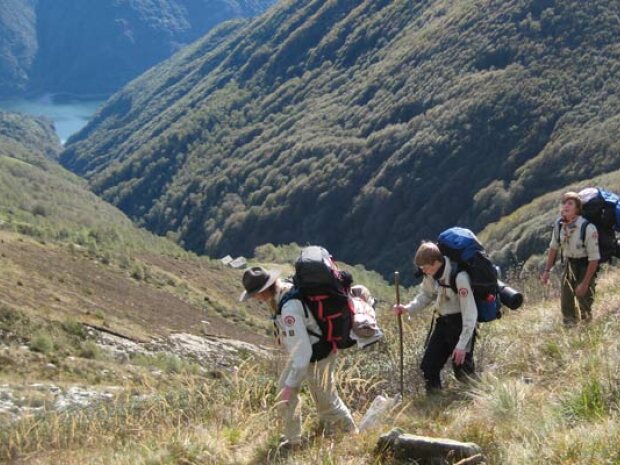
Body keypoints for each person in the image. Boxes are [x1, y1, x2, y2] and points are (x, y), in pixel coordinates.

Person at [239, 266, 357, 449]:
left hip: (319, 354)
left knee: (325, 399)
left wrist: (291, 384)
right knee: (283, 393)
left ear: (263, 290)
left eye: (254, 294)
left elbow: (303, 353)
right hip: (309, 352)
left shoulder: (289, 309)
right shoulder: (284, 292)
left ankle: (351, 436)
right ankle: (293, 440)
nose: (254, 298)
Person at [393, 241, 477, 394]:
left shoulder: (459, 277)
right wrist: (407, 308)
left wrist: (462, 344)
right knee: (429, 367)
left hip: (461, 324)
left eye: (425, 267)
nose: (423, 271)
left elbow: (470, 313)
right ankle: (434, 402)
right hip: (442, 323)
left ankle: (478, 401)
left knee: (463, 371)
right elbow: (426, 295)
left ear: (436, 262)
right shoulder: (432, 274)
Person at [541, 191, 600, 325]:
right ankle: (570, 328)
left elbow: (594, 259)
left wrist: (585, 283)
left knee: (585, 303)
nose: (565, 206)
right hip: (569, 265)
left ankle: (586, 332)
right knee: (566, 302)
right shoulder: (560, 225)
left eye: (570, 203)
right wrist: (546, 271)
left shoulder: (588, 228)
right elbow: (553, 248)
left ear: (577, 209)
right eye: (563, 203)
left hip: (585, 266)